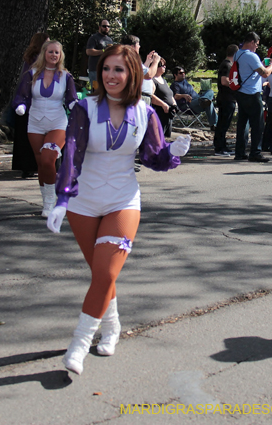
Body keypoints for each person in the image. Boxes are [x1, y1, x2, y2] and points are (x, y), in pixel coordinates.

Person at [46, 44, 190, 375]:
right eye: (107, 69)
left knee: (107, 272)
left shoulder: (145, 113)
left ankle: (80, 343)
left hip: (123, 200)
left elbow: (153, 157)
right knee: (102, 275)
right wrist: (62, 199)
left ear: (132, 74)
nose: (111, 75)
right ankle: (112, 326)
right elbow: (72, 154)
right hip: (83, 203)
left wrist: (172, 152)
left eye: (119, 70)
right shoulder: (84, 108)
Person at [13, 40, 78, 217]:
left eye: (57, 52)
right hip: (35, 122)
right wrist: (21, 106)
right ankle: (47, 202)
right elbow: (22, 95)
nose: (54, 55)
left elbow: (71, 98)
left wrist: (75, 106)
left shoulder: (66, 76)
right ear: (44, 53)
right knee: (42, 164)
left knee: (48, 159)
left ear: (61, 55)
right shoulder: (31, 74)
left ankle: (53, 202)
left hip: (57, 122)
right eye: (50, 52)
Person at [233, 32, 272, 162]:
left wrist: (260, 64)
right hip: (252, 93)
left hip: (240, 92)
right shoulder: (251, 56)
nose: (257, 47)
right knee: (258, 124)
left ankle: (240, 152)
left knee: (243, 123)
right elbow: (265, 73)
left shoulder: (238, 54)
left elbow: (249, 70)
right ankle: (255, 152)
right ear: (251, 42)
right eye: (256, 44)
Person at [12, 33, 49, 178]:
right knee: (31, 136)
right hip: (31, 102)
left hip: (40, 102)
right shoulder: (33, 60)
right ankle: (28, 166)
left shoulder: (40, 59)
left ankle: (34, 166)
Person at [213, 44, 238, 156]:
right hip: (226, 98)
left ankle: (222, 145)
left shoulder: (228, 64)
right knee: (223, 124)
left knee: (224, 124)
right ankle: (219, 147)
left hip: (228, 98)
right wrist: (236, 86)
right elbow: (224, 81)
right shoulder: (227, 65)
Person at [149, 58, 177, 138]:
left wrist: (174, 105)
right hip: (159, 113)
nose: (164, 67)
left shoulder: (164, 80)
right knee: (158, 137)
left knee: (166, 138)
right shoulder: (152, 80)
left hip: (168, 113)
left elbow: (169, 94)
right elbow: (151, 96)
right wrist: (163, 105)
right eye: (161, 65)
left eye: (165, 65)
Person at [85, 20, 114, 87]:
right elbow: (88, 51)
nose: (106, 28)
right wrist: (103, 51)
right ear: (99, 27)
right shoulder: (94, 38)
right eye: (104, 26)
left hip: (107, 70)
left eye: (108, 26)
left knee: (105, 90)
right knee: (96, 90)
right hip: (95, 70)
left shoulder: (110, 40)